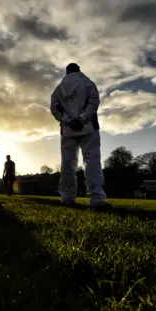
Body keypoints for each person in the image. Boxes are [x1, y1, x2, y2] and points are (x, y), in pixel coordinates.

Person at [50, 63, 111, 210]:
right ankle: (97, 199)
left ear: (66, 72)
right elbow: (94, 101)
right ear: (79, 70)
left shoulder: (58, 89)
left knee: (67, 164)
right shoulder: (87, 83)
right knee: (92, 162)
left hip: (67, 130)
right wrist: (82, 119)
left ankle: (67, 198)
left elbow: (54, 108)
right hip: (89, 128)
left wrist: (68, 120)